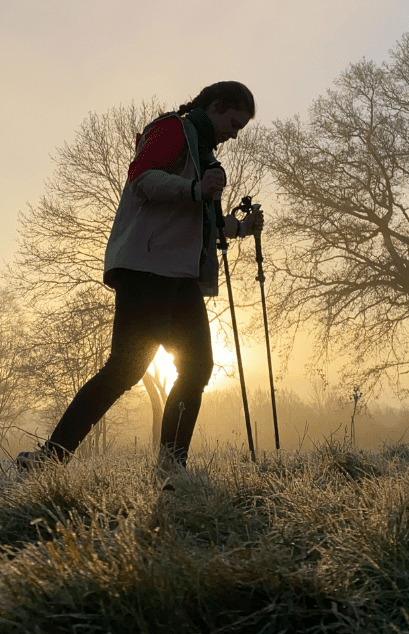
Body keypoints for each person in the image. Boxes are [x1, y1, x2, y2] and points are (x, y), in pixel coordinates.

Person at [17, 81, 262, 482]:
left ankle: (170, 467)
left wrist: (239, 227)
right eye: (233, 123)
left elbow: (203, 217)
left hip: (178, 274)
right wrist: (196, 189)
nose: (233, 135)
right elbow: (142, 180)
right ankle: (51, 457)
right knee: (126, 368)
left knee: (197, 367)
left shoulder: (201, 151)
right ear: (215, 105)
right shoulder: (172, 130)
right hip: (146, 268)